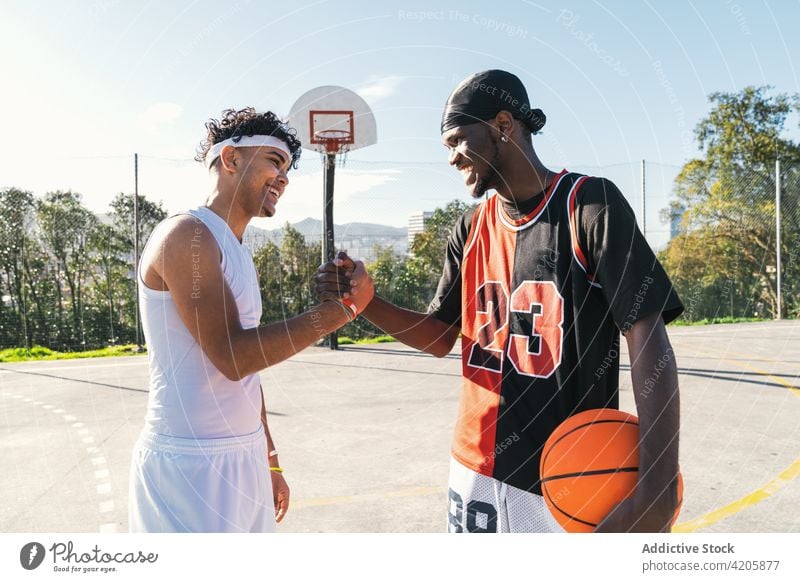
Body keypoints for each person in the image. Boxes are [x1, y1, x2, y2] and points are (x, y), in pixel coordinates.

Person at [317, 70, 683, 533]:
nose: (450, 158)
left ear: (503, 125)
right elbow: (439, 337)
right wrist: (367, 302)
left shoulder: (588, 204)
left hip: (569, 475)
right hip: (471, 470)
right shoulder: (469, 230)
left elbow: (648, 336)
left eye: (456, 140)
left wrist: (658, 485)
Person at [129, 107, 374, 532]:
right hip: (190, 462)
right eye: (274, 162)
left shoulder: (234, 247)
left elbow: (247, 378)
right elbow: (233, 356)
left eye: (287, 169)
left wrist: (269, 458)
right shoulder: (186, 234)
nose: (283, 178)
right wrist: (341, 312)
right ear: (231, 159)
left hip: (242, 455)